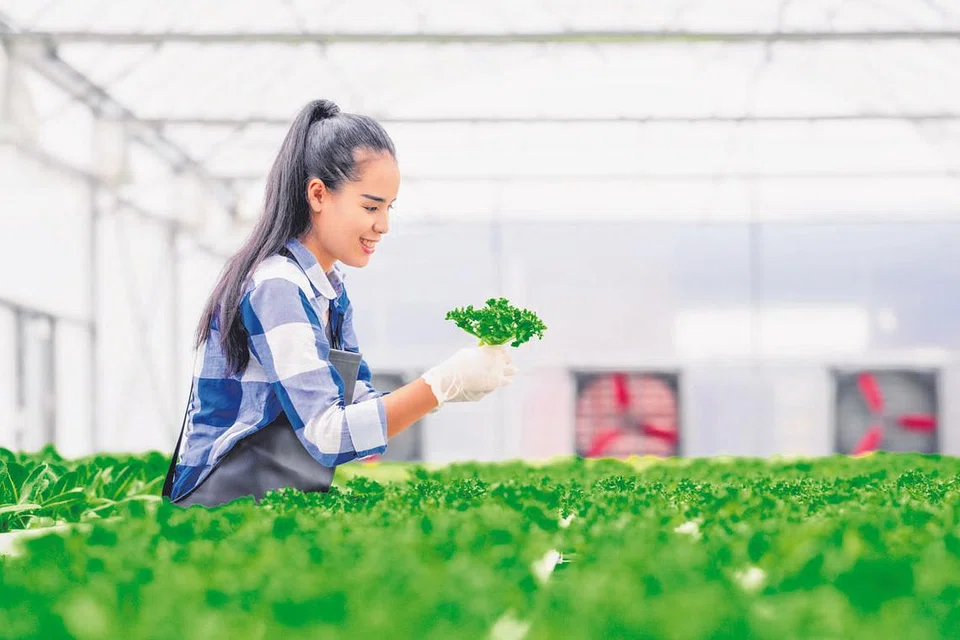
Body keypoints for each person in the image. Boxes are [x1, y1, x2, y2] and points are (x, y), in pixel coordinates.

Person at [163, 99, 515, 507]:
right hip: (222, 509)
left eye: (388, 208)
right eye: (370, 206)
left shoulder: (328, 290)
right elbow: (327, 434)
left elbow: (357, 403)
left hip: (276, 504)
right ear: (318, 194)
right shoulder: (277, 287)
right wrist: (436, 387)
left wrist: (451, 388)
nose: (382, 225)